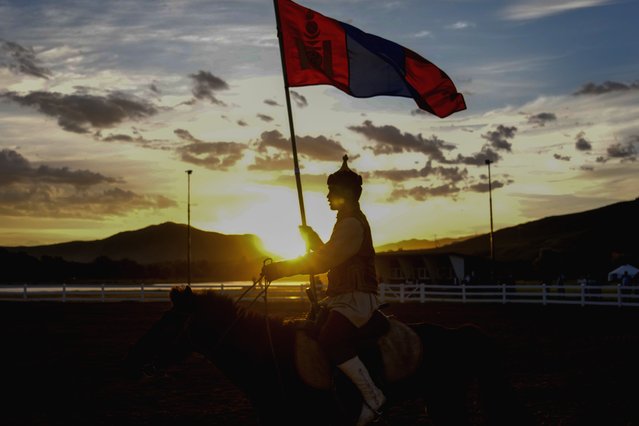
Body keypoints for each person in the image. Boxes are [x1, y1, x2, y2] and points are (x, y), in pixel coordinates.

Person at [262, 155, 385, 426]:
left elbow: (324, 261)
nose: (328, 196)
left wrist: (279, 269)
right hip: (342, 297)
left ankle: (373, 396)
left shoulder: (352, 224)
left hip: (356, 298)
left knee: (331, 339)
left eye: (333, 191)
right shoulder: (345, 222)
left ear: (348, 193)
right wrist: (314, 240)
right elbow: (331, 254)